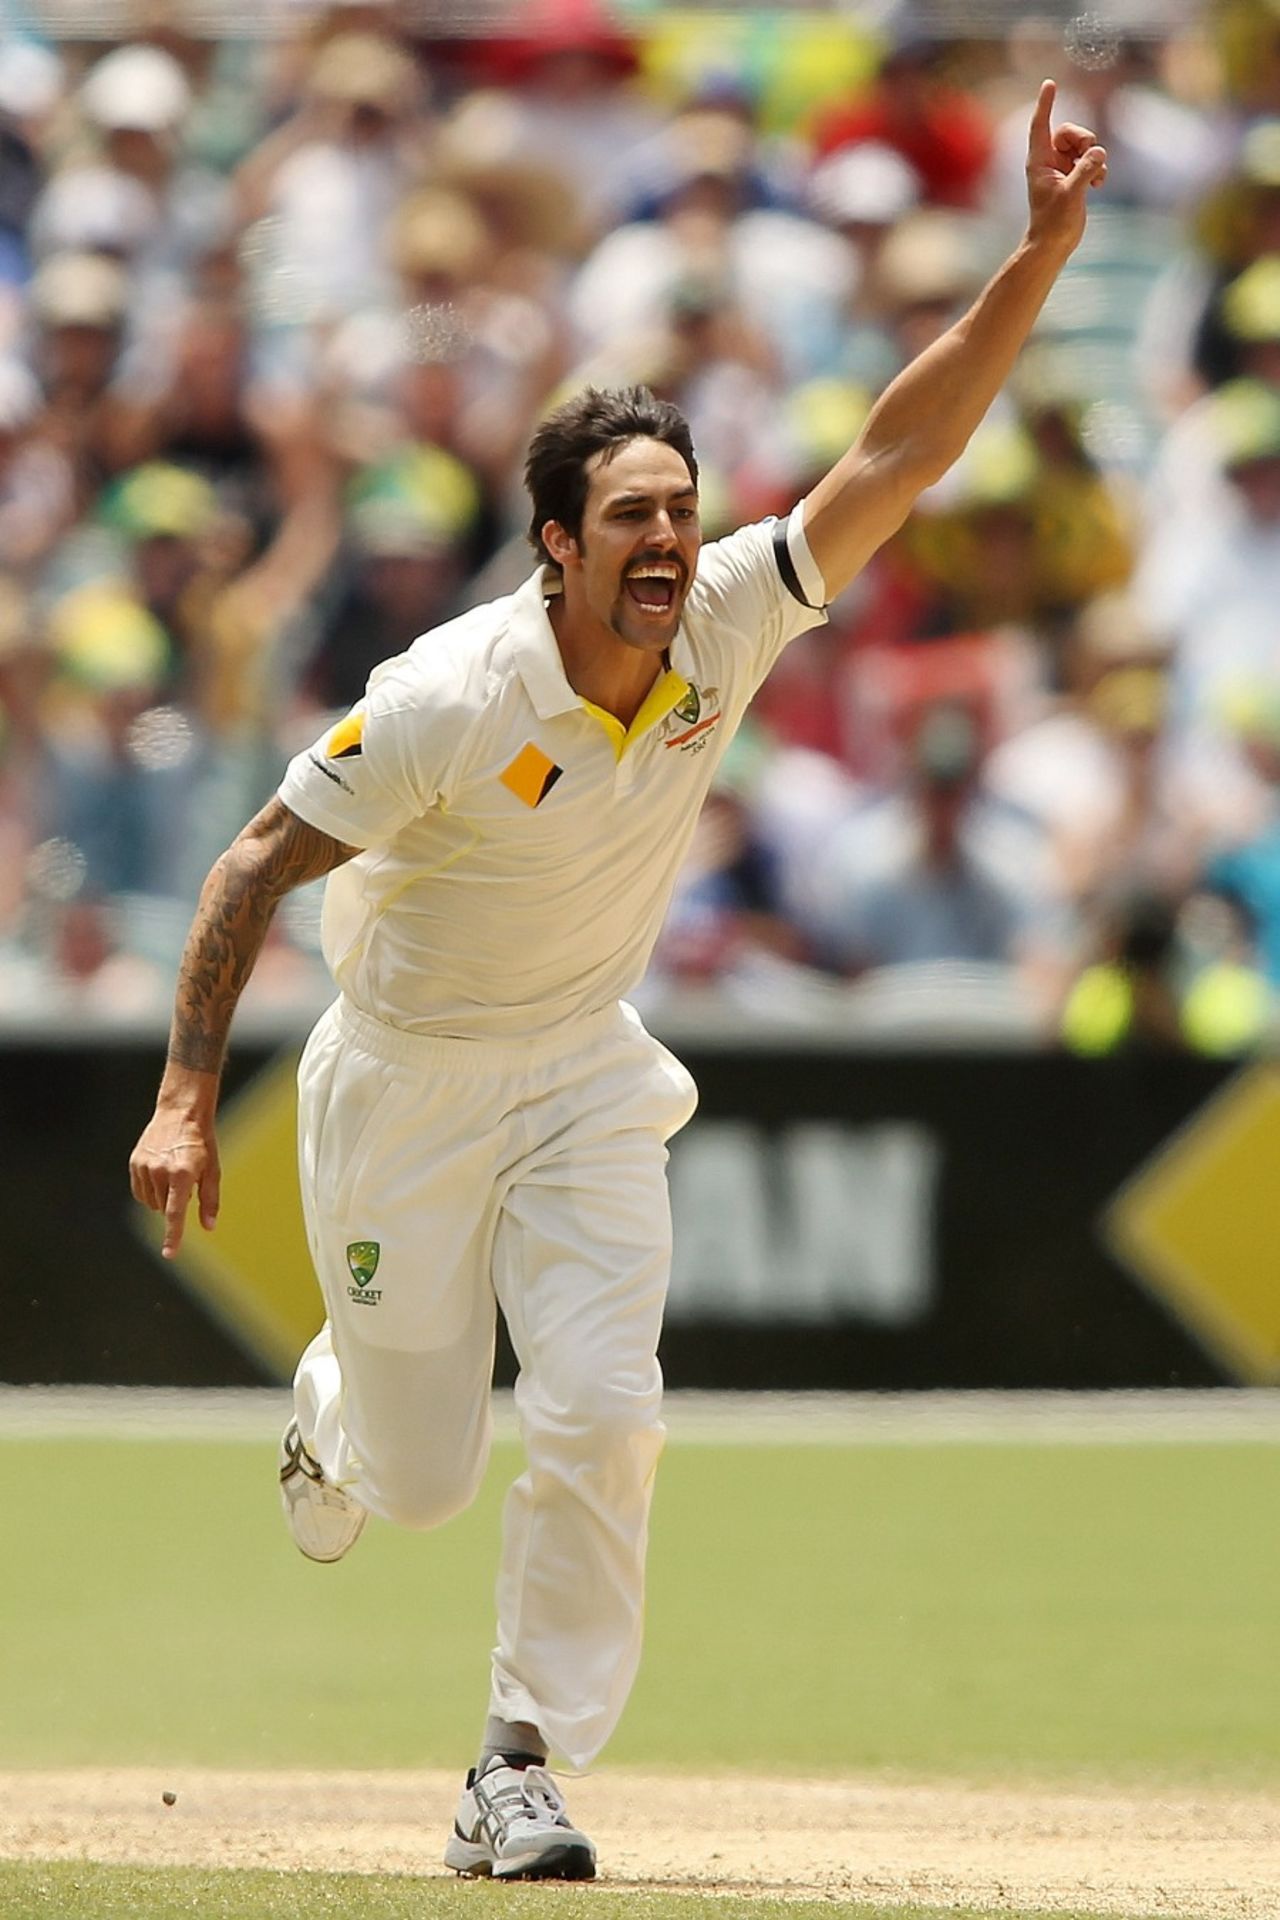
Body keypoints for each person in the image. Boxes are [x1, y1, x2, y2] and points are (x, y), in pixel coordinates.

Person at [129, 84, 1106, 1883]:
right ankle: (336, 1415)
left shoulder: (729, 621)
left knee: (604, 1408)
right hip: (405, 1077)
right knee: (417, 1480)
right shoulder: (447, 695)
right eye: (630, 517)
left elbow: (896, 458)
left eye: (683, 508)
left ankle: (518, 1764)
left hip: (585, 1070)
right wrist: (188, 1091)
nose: (670, 540)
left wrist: (1033, 260)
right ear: (557, 545)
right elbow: (255, 859)